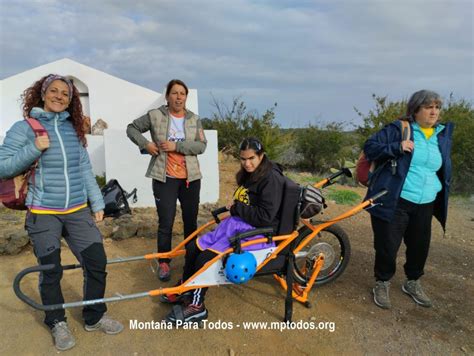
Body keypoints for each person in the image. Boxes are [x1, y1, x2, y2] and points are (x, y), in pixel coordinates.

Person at [0, 74, 123, 351]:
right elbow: (3, 166)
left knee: (96, 263)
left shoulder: (72, 129)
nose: (59, 96)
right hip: (43, 213)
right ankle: (57, 321)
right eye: (53, 91)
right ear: (43, 94)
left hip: (78, 210)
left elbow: (84, 170)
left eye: (65, 94)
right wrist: (33, 148)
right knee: (51, 270)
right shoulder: (25, 128)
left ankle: (93, 316)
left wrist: (98, 204)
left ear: (71, 100)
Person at [162, 137, 286, 323]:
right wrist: (236, 209)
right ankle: (187, 287)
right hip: (239, 225)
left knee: (206, 259)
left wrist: (236, 209)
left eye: (251, 158)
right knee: (193, 248)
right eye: (243, 159)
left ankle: (197, 306)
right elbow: (246, 203)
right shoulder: (252, 175)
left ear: (261, 156)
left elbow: (265, 217)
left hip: (258, 233)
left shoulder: (271, 180)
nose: (247, 163)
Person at [364, 89, 454, 309]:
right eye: (428, 107)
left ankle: (412, 282)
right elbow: (370, 148)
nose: (434, 112)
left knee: (419, 246)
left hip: (426, 202)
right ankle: (382, 282)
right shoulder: (399, 129)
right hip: (397, 199)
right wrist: (396, 147)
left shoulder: (442, 135)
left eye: (437, 107)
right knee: (387, 245)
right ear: (415, 110)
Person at [126, 79, 207, 281]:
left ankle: (192, 258)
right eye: (175, 93)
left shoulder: (194, 119)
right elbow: (132, 128)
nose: (179, 97)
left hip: (190, 178)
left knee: (190, 221)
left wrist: (176, 147)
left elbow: (201, 146)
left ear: (186, 97)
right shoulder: (155, 116)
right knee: (166, 222)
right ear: (167, 96)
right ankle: (164, 262)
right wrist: (146, 144)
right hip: (165, 178)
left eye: (182, 94)